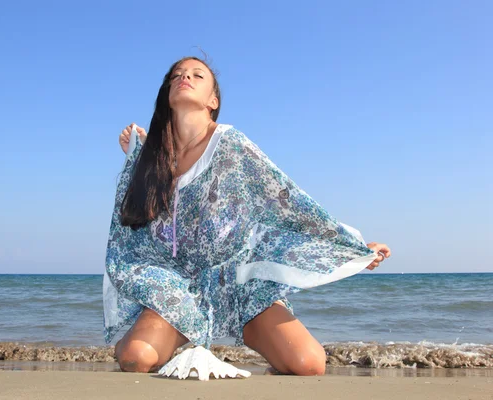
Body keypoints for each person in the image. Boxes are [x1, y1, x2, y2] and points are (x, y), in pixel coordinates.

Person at [104, 56, 391, 376]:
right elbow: (132, 220)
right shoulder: (154, 159)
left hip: (238, 277)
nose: (185, 78)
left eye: (197, 75)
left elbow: (288, 201)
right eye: (177, 75)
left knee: (308, 364)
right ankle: (164, 329)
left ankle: (250, 329)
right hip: (177, 283)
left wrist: (352, 247)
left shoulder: (229, 144)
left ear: (212, 100)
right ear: (168, 92)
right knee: (136, 358)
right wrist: (137, 153)